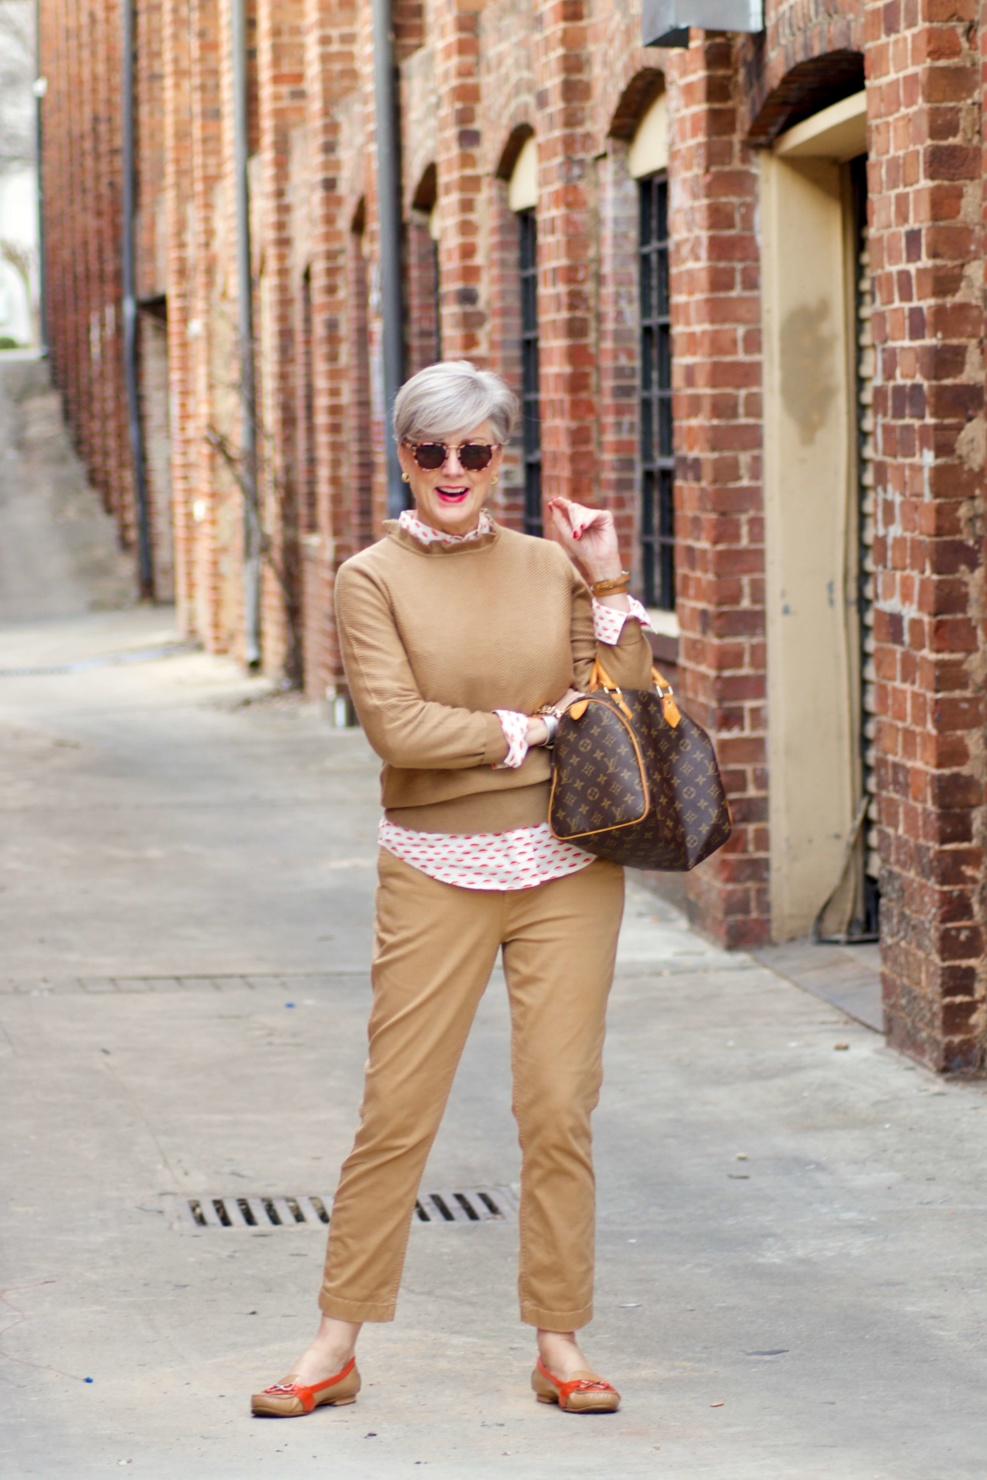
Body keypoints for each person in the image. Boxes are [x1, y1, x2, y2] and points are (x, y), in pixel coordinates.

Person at [251, 359, 654, 1419]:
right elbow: (399, 731)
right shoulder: (369, 578)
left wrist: (607, 579)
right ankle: (334, 1343)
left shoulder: (550, 565)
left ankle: (559, 1345)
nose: (452, 469)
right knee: (398, 1109)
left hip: (568, 868)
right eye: (430, 449)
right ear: (404, 456)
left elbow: (625, 704)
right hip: (434, 866)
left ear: (500, 457)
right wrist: (529, 728)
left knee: (559, 1108)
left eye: (474, 448)